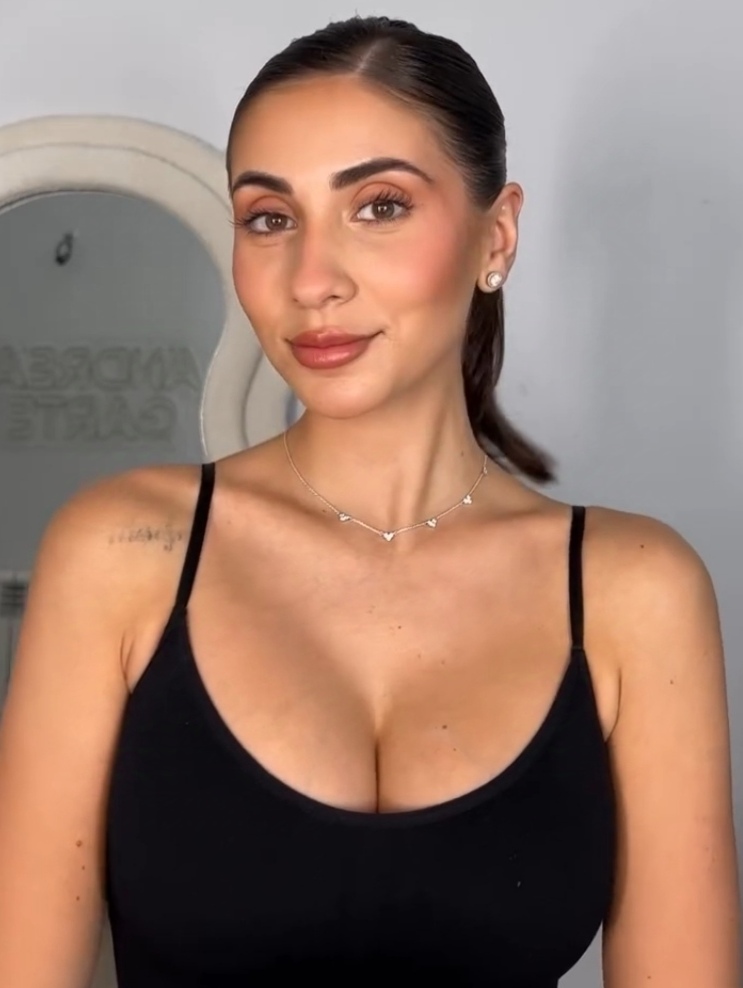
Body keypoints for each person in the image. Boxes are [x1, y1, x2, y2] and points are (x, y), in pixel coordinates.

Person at [0, 14, 740, 988]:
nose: (311, 280)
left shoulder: (633, 591)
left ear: (496, 235)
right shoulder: (125, 550)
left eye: (378, 206)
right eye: (269, 218)